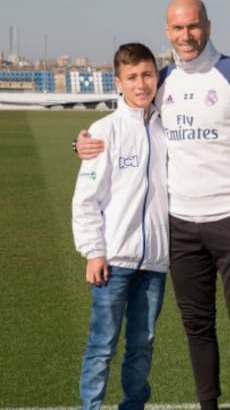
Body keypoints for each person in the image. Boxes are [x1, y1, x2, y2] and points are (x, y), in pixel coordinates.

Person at [74, 0, 230, 410]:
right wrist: (81, 141)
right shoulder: (162, 80)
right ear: (167, 32)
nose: (187, 35)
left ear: (208, 25)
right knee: (196, 327)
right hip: (181, 229)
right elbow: (124, 120)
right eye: (178, 28)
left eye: (194, 26)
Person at [71, 42, 169, 410]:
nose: (141, 84)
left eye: (147, 74)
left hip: (155, 263)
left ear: (157, 76)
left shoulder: (166, 128)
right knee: (102, 345)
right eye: (132, 77)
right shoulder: (104, 130)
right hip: (114, 261)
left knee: (142, 345)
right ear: (118, 82)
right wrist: (94, 251)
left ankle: (134, 406)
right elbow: (86, 199)